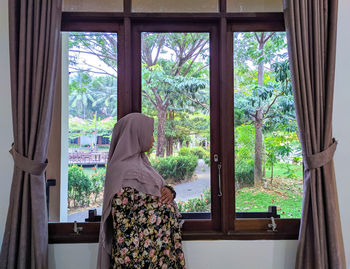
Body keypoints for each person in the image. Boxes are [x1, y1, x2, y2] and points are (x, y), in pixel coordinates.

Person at [97, 112, 186, 269]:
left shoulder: (143, 163)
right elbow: (124, 225)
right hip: (139, 259)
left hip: (160, 252)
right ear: (136, 134)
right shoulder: (120, 171)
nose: (152, 139)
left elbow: (156, 191)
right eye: (150, 134)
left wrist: (169, 192)